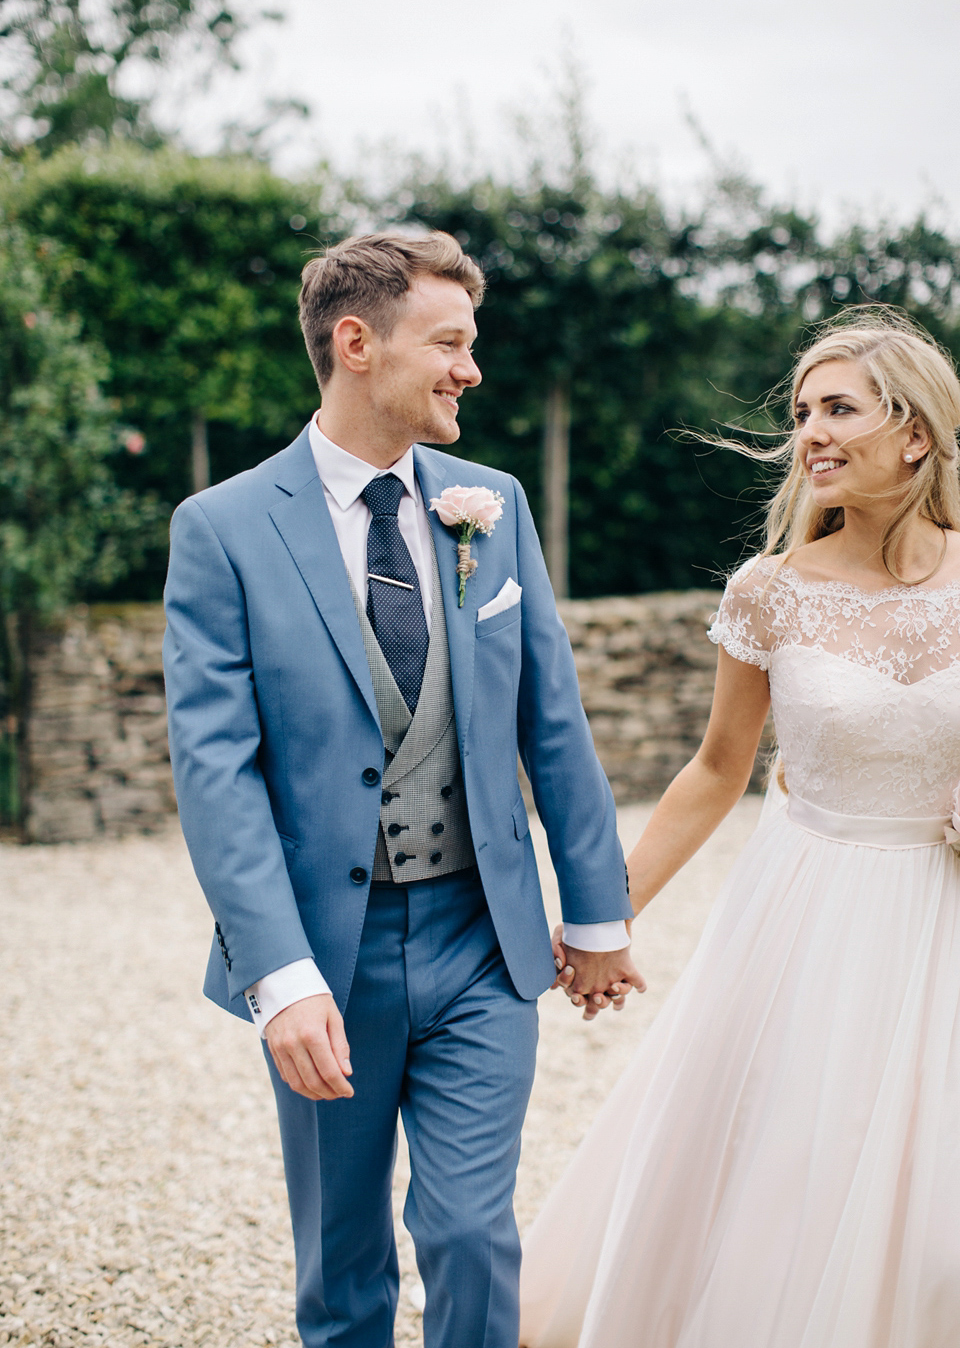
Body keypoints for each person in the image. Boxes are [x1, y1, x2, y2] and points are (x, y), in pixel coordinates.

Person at [162, 230, 642, 1348]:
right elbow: (216, 772)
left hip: (484, 938)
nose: (471, 369)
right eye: (452, 343)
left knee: (474, 1236)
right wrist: (278, 978)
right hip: (331, 949)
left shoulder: (492, 503)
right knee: (343, 1268)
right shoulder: (224, 530)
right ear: (357, 342)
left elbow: (553, 724)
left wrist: (599, 916)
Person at [519, 310, 960, 1348]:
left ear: (916, 435)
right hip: (806, 909)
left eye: (839, 408)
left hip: (940, 913)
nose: (810, 431)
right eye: (803, 411)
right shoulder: (772, 591)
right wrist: (601, 917)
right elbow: (717, 772)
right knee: (785, 1165)